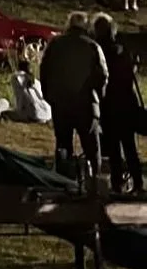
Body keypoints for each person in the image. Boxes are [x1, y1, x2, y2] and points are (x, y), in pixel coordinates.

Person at [39, 11, 109, 181]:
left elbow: (44, 71)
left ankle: (63, 180)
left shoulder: (55, 45)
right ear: (86, 26)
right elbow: (102, 76)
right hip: (86, 104)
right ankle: (94, 180)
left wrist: (49, 96)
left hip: (60, 104)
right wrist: (99, 98)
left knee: (63, 145)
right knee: (91, 146)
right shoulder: (92, 46)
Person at [93, 14, 144, 196]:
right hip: (126, 104)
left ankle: (117, 184)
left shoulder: (96, 51)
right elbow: (129, 76)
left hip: (108, 105)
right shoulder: (122, 50)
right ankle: (137, 182)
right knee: (130, 147)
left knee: (113, 149)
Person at [9, 58, 52, 124]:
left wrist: (19, 111)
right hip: (48, 113)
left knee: (5, 112)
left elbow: (21, 98)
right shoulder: (36, 81)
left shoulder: (16, 78)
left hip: (34, 114)